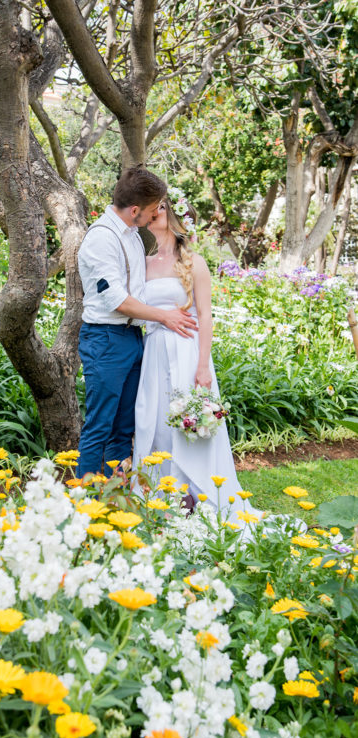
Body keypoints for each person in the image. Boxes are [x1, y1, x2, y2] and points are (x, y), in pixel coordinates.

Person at [133, 197, 257, 517]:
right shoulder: (144, 262)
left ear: (173, 215)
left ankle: (197, 500)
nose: (152, 213)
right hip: (154, 352)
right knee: (157, 423)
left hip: (187, 351)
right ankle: (162, 498)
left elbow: (205, 316)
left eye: (159, 208)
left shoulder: (193, 262)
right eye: (150, 209)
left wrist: (203, 366)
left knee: (188, 422)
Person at [76, 167, 198, 479]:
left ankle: (116, 500)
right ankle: (87, 503)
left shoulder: (131, 237)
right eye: (153, 208)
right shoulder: (101, 239)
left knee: (124, 427)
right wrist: (166, 316)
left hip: (132, 337)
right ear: (134, 210)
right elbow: (116, 300)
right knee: (100, 424)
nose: (157, 213)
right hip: (105, 339)